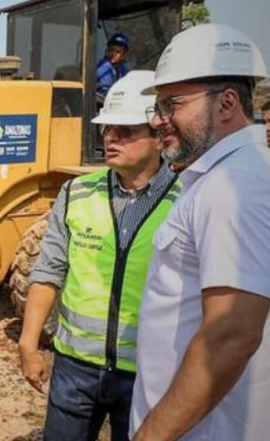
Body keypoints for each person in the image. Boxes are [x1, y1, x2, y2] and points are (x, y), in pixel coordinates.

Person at [129, 24, 270, 441]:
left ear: (227, 102)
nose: (158, 120)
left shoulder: (241, 185)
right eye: (157, 106)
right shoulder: (225, 177)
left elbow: (231, 335)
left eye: (172, 103)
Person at [18, 71, 181, 441]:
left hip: (147, 369)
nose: (110, 137)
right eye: (107, 128)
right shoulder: (76, 192)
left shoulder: (187, 199)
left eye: (124, 130)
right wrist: (29, 343)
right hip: (74, 367)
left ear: (158, 134)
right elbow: (48, 270)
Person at [95, 33, 131, 102]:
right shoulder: (104, 65)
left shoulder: (121, 70)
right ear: (107, 50)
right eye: (111, 50)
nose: (113, 54)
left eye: (117, 52)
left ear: (123, 55)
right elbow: (103, 88)